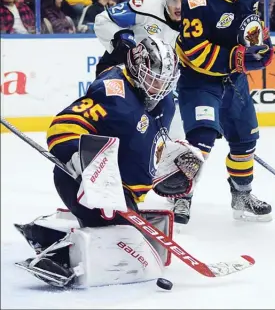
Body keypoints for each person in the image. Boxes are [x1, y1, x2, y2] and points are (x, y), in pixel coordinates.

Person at [12, 36, 204, 288]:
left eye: (165, 80)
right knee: (123, 239)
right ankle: (58, 256)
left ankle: (47, 231)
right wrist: (78, 159)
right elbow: (64, 125)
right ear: (136, 69)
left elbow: (145, 148)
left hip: (123, 192)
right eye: (153, 77)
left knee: (139, 239)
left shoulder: (166, 103)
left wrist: (169, 172)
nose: (159, 86)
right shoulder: (114, 93)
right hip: (85, 182)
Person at [174, 0, 274, 224]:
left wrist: (260, 43)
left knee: (245, 139)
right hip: (200, 81)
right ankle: (182, 197)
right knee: (200, 141)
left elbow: (250, 25)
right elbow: (193, 51)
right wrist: (237, 58)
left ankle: (242, 196)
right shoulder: (195, 0)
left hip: (234, 81)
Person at [94, 0, 196, 76]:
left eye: (183, 0)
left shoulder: (202, 17)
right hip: (121, 69)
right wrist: (122, 39)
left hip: (158, 80)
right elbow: (103, 20)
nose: (178, 6)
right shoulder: (146, 4)